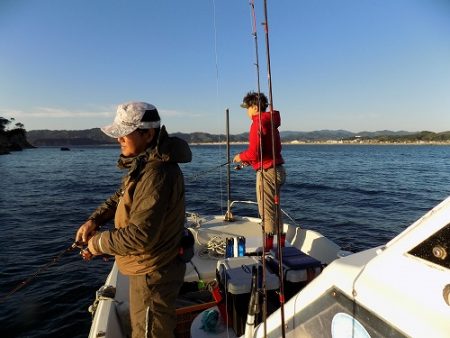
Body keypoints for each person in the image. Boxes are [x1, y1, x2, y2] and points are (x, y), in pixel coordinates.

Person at [75, 101, 192, 338]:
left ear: (148, 134)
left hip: (153, 273)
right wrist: (94, 221)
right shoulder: (146, 162)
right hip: (146, 268)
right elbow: (121, 196)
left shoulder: (156, 173)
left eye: (124, 133)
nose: (119, 139)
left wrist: (96, 244)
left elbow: (140, 235)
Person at [233, 91, 286, 235]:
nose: (247, 112)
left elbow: (254, 152)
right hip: (278, 170)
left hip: (267, 173)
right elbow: (264, 151)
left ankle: (268, 250)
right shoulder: (270, 122)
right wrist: (248, 162)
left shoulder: (257, 123)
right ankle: (280, 245)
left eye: (247, 108)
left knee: (266, 211)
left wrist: (241, 157)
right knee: (275, 209)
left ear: (255, 107)